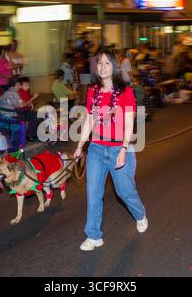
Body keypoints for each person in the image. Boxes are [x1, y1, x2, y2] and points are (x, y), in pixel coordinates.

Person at [73, 49, 148, 251]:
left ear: (114, 67)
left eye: (107, 63)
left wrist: (123, 149)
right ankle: (93, 235)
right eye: (99, 63)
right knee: (93, 193)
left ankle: (140, 213)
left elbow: (129, 124)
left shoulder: (126, 92)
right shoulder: (92, 92)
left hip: (120, 148)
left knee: (124, 191)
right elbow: (89, 121)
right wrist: (80, 146)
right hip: (96, 148)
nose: (102, 66)